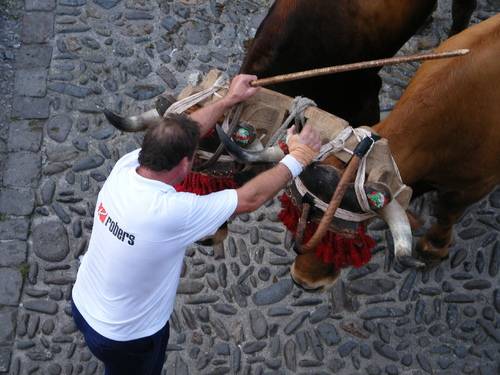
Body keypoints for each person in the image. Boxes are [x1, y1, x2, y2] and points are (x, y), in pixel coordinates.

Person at [71, 74, 322, 375]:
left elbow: (186, 132)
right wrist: (299, 157)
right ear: (186, 165)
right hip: (126, 336)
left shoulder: (126, 167)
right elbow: (249, 199)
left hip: (83, 305)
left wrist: (230, 100)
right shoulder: (173, 212)